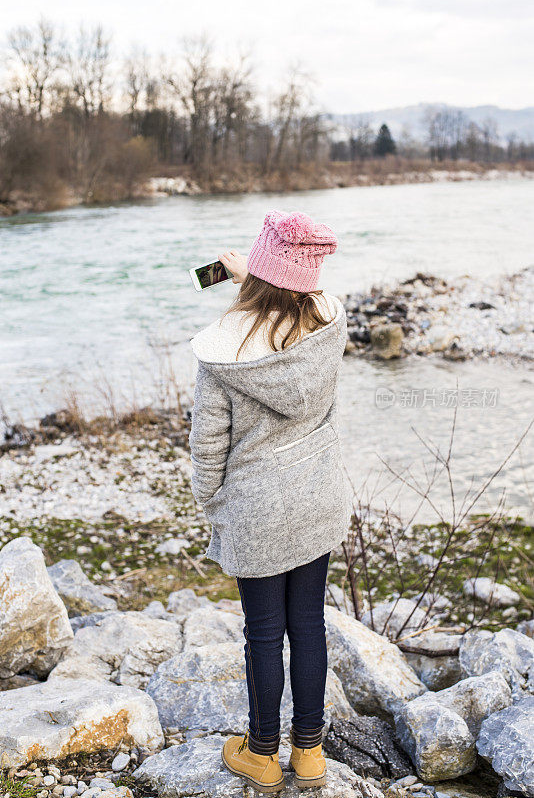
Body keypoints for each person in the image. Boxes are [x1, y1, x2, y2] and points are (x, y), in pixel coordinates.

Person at [189, 210, 352, 793]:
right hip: (316, 497)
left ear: (259, 268)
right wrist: (254, 275)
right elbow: (301, 293)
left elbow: (209, 443)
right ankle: (309, 754)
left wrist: (211, 503)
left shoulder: (225, 349)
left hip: (256, 510)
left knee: (264, 630)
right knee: (308, 624)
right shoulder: (328, 325)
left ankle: (261, 753)